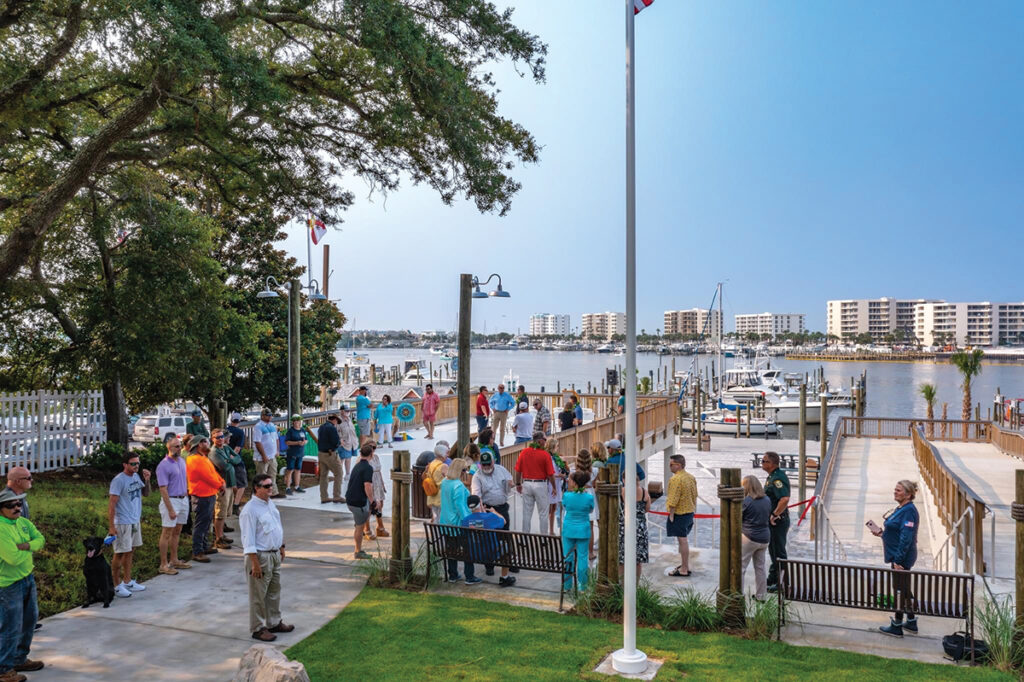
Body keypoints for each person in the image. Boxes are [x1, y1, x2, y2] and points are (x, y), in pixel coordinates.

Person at [239, 473, 293, 643]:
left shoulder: (269, 504)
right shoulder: (250, 510)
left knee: (274, 591)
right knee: (258, 595)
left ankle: (274, 622)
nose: (271, 488)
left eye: (271, 485)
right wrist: (255, 563)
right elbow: (248, 540)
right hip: (260, 557)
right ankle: (258, 628)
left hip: (274, 554)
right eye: (266, 486)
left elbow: (277, 527)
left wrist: (282, 546)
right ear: (257, 488)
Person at [0, 488, 45, 680]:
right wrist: (30, 547)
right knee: (11, 626)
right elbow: (12, 558)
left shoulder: (23, 522)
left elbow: (41, 540)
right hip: (8, 585)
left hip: (28, 578)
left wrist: (26, 545)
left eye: (19, 504)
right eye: (11, 505)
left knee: (29, 621)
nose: (17, 508)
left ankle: (19, 658)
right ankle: (4, 669)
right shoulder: (1, 529)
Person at [871, 480, 921, 637]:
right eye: (895, 489)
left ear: (908, 494)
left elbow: (906, 538)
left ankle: (897, 626)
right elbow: (896, 532)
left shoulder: (909, 511)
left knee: (899, 590)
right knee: (904, 589)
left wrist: (898, 560)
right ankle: (911, 622)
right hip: (897, 556)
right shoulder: (901, 509)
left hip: (902, 559)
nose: (895, 492)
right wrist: (882, 533)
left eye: (898, 490)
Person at [107, 451, 151, 598]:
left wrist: (147, 480)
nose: (136, 466)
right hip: (123, 522)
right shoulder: (119, 480)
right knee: (119, 553)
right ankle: (116, 585)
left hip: (134, 520)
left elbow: (146, 494)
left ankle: (127, 580)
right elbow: (112, 505)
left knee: (130, 550)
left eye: (137, 463)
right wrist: (112, 527)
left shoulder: (136, 476)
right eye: (133, 463)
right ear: (125, 464)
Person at [470, 450, 517, 579]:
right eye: (484, 465)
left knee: (505, 535)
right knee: (489, 537)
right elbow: (476, 495)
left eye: (488, 464)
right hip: (488, 509)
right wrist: (482, 513)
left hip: (502, 508)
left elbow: (510, 481)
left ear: (493, 462)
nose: (486, 467)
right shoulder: (477, 476)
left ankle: (508, 562)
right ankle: (489, 565)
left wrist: (510, 484)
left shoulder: (501, 469)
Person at [156, 434, 192, 575]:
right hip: (171, 500)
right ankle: (163, 564)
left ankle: (174, 559)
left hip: (183, 499)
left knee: (177, 531)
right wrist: (170, 508)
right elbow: (163, 489)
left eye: (180, 446)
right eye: (177, 446)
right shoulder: (163, 465)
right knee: (167, 533)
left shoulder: (182, 461)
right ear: (169, 448)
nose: (180, 448)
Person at [439, 458, 479, 584]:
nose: (466, 472)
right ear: (460, 471)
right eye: (465, 470)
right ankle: (469, 576)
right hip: (458, 524)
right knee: (468, 549)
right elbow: (461, 508)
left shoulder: (445, 482)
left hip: (445, 522)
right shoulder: (458, 486)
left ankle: (453, 575)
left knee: (452, 549)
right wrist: (470, 523)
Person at [460, 495, 514, 587]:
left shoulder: (465, 521)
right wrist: (494, 512)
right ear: (480, 504)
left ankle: (469, 577)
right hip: (491, 553)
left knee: (467, 547)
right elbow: (504, 521)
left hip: (473, 553)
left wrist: (483, 513)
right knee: (506, 546)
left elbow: (478, 524)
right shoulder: (490, 517)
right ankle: (505, 578)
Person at [187, 437, 225, 563]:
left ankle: (204, 546)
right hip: (201, 496)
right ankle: (197, 551)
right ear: (198, 445)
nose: (207, 443)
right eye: (204, 442)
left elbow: (213, 473)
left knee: (206, 522)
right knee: (201, 524)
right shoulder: (195, 460)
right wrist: (220, 485)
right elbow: (207, 477)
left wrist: (221, 482)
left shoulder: (203, 458)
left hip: (209, 494)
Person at [513, 432, 555, 534]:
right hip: (540, 484)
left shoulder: (524, 452)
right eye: (545, 440)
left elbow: (518, 471)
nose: (545, 442)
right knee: (543, 513)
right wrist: (554, 487)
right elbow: (550, 474)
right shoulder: (545, 454)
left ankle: (525, 537)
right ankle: (543, 538)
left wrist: (518, 484)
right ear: (540, 441)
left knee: (527, 513)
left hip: (527, 483)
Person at [761, 451, 791, 591]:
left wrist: (774, 514)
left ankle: (783, 583)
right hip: (773, 521)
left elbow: (784, 499)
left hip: (778, 521)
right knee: (772, 550)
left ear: (771, 463)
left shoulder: (777, 478)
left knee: (779, 551)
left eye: (764, 461)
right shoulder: (772, 477)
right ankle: (773, 578)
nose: (762, 463)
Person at [562, 470, 594, 592]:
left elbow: (565, 507)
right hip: (583, 530)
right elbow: (590, 510)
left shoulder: (567, 496)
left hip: (569, 529)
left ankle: (567, 585)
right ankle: (583, 585)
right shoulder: (589, 497)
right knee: (582, 557)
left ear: (574, 483)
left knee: (568, 557)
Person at [666, 454, 697, 577]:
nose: (669, 467)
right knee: (683, 540)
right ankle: (684, 565)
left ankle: (684, 568)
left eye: (671, 464)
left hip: (679, 513)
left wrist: (671, 514)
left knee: (682, 540)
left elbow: (673, 499)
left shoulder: (676, 479)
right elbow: (695, 494)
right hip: (689, 512)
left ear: (678, 465)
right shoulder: (690, 477)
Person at [740, 475, 771, 600]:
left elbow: (738, 518)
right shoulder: (767, 499)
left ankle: (738, 594)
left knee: (741, 567)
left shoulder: (747, 501)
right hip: (764, 537)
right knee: (760, 568)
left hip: (749, 537)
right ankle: (761, 595)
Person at [346, 444, 377, 559]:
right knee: (359, 527)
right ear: (371, 454)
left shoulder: (357, 465)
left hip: (350, 499)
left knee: (362, 520)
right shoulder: (368, 468)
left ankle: (361, 527)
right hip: (358, 501)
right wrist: (372, 500)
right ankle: (358, 551)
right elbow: (367, 486)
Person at [210, 429, 239, 550]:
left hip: (229, 484)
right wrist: (230, 462)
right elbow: (224, 467)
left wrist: (230, 460)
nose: (221, 439)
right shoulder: (214, 452)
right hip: (221, 486)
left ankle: (221, 534)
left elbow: (238, 459)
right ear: (212, 439)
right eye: (217, 437)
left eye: (222, 436)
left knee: (225, 512)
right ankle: (218, 538)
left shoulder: (226, 448)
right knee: (219, 513)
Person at [618, 474, 650, 578]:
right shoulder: (644, 492)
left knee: (622, 560)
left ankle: (622, 586)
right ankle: (635, 586)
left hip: (624, 527)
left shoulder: (621, 491)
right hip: (640, 528)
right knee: (637, 561)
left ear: (624, 479)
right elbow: (647, 509)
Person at [572, 449, 598, 560]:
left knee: (577, 523)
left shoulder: (573, 471)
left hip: (577, 495)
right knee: (590, 526)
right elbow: (596, 485)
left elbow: (572, 486)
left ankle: (576, 550)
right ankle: (590, 552)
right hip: (590, 495)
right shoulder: (595, 471)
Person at [253, 409, 284, 499]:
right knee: (262, 476)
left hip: (272, 456)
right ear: (262, 416)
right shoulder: (258, 426)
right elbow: (257, 442)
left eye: (271, 415)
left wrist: (277, 450)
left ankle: (273, 492)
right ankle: (260, 494)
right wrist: (263, 455)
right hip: (262, 457)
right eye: (268, 415)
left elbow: (276, 439)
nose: (270, 417)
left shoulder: (272, 425)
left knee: (272, 474)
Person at [316, 413, 345, 504]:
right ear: (335, 420)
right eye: (337, 422)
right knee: (339, 473)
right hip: (330, 454)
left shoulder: (321, 427)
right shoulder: (332, 428)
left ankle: (324, 497)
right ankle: (337, 496)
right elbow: (335, 442)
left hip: (321, 453)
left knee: (323, 476)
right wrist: (340, 442)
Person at [363, 444, 389, 540]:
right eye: (372, 448)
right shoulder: (364, 460)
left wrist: (382, 484)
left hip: (378, 481)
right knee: (370, 507)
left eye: (375, 448)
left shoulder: (376, 457)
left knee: (380, 504)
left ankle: (380, 527)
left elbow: (379, 471)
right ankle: (367, 529)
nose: (374, 450)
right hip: (370, 482)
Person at [227, 413, 248, 515]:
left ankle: (230, 503)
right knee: (242, 483)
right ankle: (236, 505)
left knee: (230, 483)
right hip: (236, 461)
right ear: (239, 421)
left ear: (231, 420)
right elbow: (237, 448)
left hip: (225, 460)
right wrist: (232, 457)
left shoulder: (226, 431)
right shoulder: (240, 432)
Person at [283, 415, 307, 495]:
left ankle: (297, 486)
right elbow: (287, 442)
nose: (298, 423)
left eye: (299, 421)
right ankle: (288, 487)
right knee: (290, 470)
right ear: (293, 422)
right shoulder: (290, 431)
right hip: (292, 453)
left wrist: (304, 442)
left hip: (300, 453)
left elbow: (306, 440)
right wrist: (297, 443)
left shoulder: (302, 430)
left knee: (298, 470)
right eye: (296, 421)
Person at [546, 441, 567, 535]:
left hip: (557, 483)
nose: (557, 448)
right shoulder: (548, 457)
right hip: (550, 484)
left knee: (554, 507)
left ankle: (551, 529)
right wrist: (559, 475)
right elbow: (549, 473)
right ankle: (548, 529)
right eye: (556, 447)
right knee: (550, 507)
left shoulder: (555, 458)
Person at [425, 441, 449, 522]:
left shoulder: (431, 464)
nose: (447, 455)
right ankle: (441, 534)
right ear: (442, 454)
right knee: (442, 518)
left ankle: (436, 533)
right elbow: (450, 480)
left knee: (435, 517)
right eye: (446, 453)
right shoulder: (443, 466)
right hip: (441, 496)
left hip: (432, 495)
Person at [336, 405, 359, 480]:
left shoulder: (349, 419)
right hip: (343, 443)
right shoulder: (338, 420)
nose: (348, 412)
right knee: (341, 459)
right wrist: (340, 440)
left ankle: (348, 474)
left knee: (348, 458)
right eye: (346, 411)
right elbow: (336, 432)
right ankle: (339, 476)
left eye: (348, 411)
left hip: (352, 442)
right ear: (341, 411)